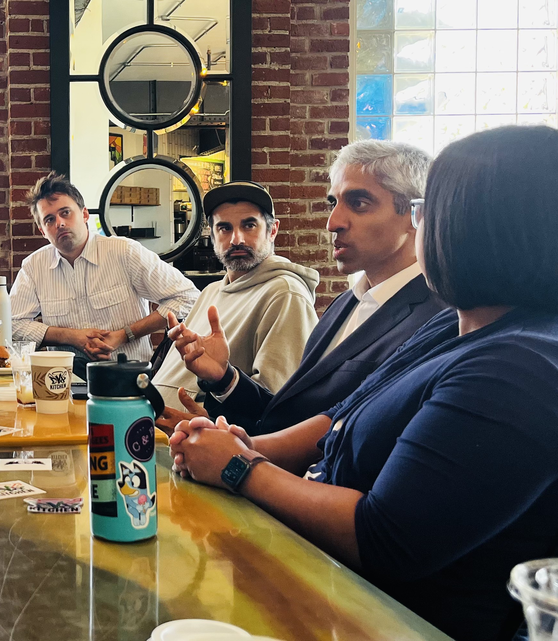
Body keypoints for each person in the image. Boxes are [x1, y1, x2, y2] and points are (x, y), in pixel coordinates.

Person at [169, 125, 558, 641]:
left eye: (428, 211)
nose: (424, 229)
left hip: (391, 620)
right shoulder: (458, 320)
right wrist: (240, 445)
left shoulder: (518, 365)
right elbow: (342, 414)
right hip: (324, 581)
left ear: (480, 225)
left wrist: (240, 468)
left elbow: (386, 539)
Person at [160, 141, 446, 436]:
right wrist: (224, 379)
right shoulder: (345, 304)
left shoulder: (440, 319)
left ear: (417, 214)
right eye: (333, 204)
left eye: (358, 203)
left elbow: (355, 445)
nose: (332, 223)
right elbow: (288, 417)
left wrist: (240, 459)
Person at [10, 172, 200, 378]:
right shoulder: (34, 266)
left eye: (65, 212)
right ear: (42, 231)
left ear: (84, 215)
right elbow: (12, 325)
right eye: (49, 219)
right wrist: (71, 337)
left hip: (131, 380)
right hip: (64, 384)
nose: (60, 223)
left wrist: (125, 335)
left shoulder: (125, 252)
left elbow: (188, 298)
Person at [153, 181, 319, 408]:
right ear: (212, 235)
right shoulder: (211, 292)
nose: (236, 239)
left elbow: (278, 407)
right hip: (154, 429)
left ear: (272, 231)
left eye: (249, 225)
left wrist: (207, 423)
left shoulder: (285, 294)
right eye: (225, 228)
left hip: (195, 437)